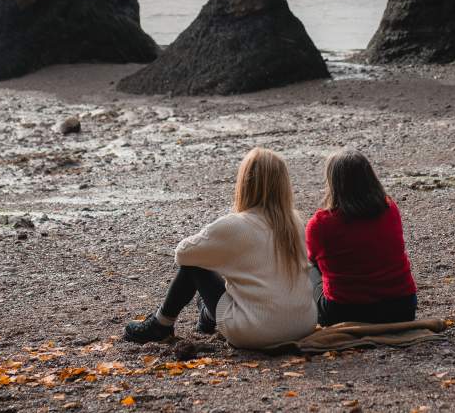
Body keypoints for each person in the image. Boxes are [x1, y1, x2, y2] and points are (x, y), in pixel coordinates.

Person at [124, 147, 317, 349]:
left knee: (195, 265)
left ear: (245, 183)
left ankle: (160, 324)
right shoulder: (295, 223)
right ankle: (205, 317)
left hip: (256, 332)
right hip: (303, 325)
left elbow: (183, 254)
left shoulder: (235, 225)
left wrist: (221, 254)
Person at [306, 149, 418, 326]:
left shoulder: (321, 223)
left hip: (345, 312)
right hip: (402, 307)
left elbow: (314, 261)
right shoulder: (390, 209)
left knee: (309, 268)